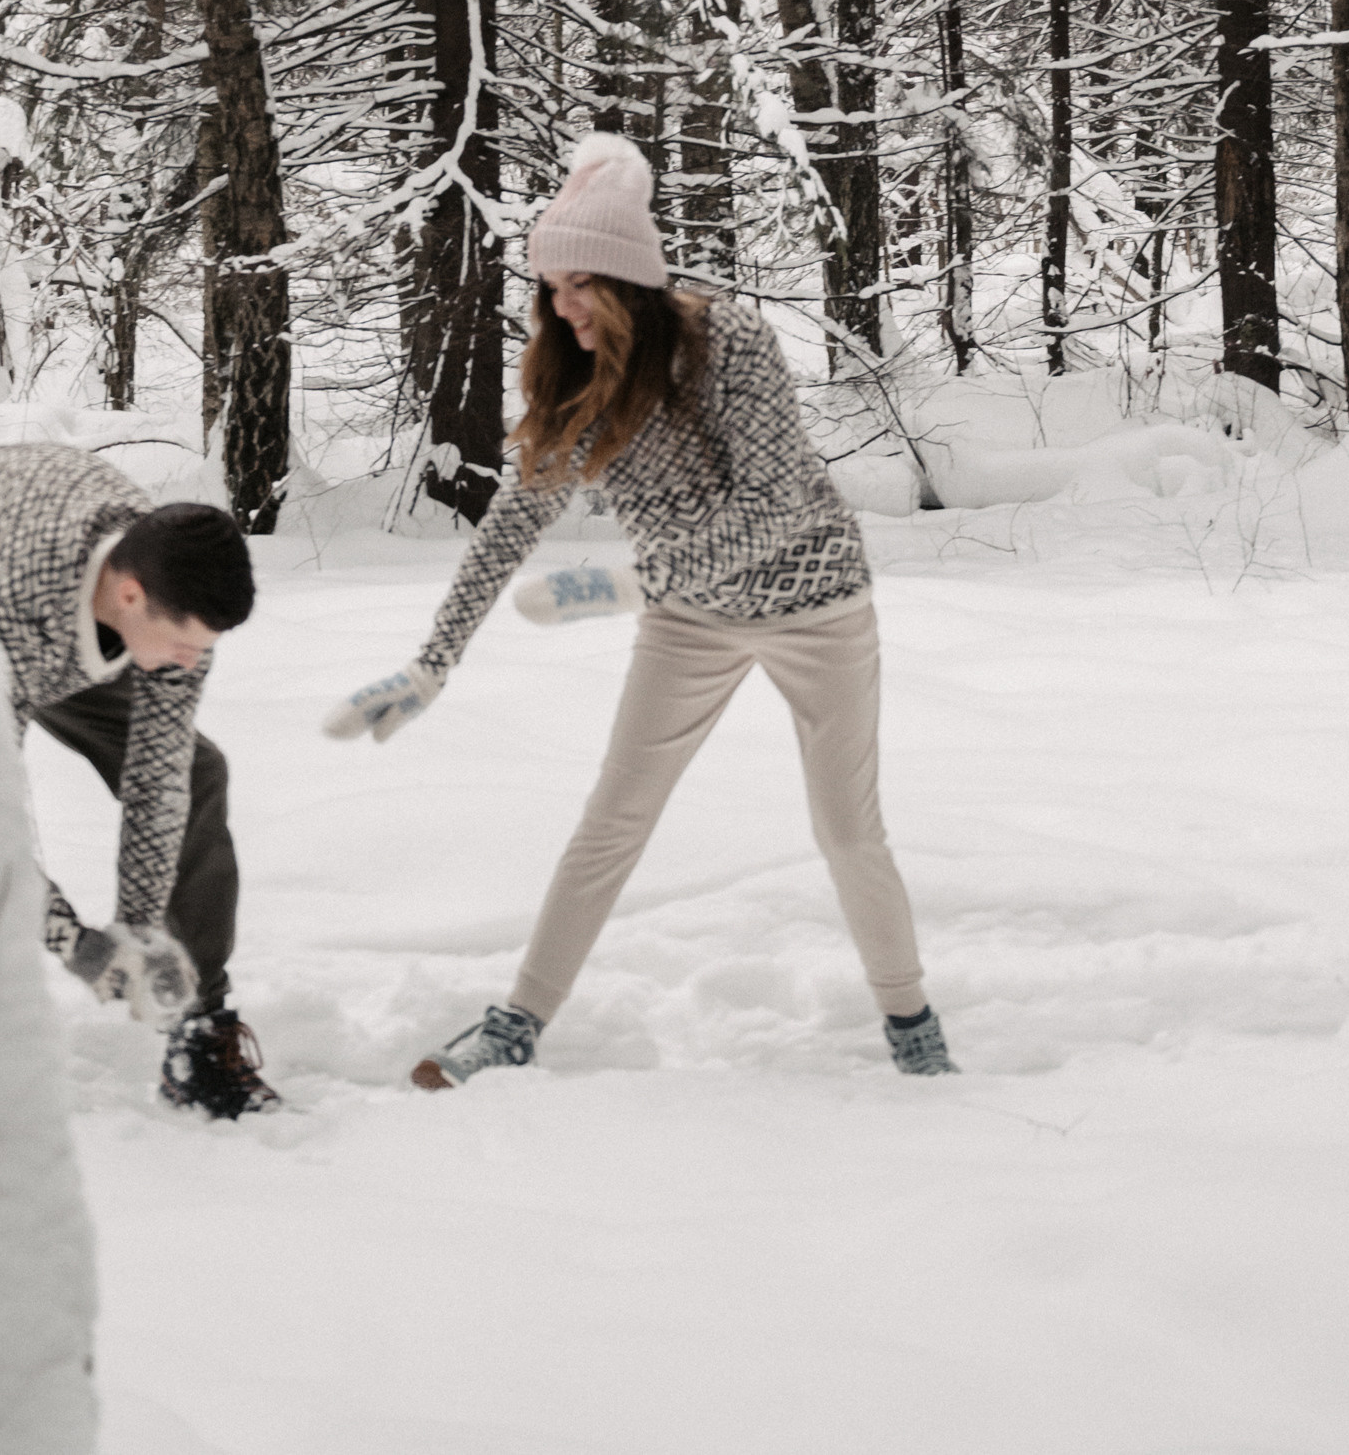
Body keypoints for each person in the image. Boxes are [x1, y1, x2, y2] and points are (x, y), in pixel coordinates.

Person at [327, 134, 955, 1087]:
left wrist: (624, 586)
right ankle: (516, 1023)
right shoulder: (576, 374)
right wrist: (433, 661)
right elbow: (513, 522)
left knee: (845, 831)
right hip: (689, 617)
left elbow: (777, 505)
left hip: (814, 604)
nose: (560, 306)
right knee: (612, 819)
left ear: (629, 283)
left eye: (580, 285)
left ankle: (913, 1029)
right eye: (549, 288)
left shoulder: (727, 343)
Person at [0, 440, 279, 1121]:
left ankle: (196, 1033)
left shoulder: (172, 601)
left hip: (38, 571)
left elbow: (158, 780)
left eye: (205, 646)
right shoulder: (4, 620)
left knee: (193, 767)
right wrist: (84, 949)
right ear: (130, 595)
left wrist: (140, 933)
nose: (194, 660)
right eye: (186, 643)